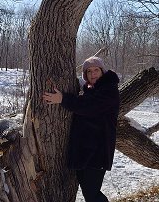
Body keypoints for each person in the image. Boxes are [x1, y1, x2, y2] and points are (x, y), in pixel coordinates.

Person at [43, 56, 120, 202]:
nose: (93, 74)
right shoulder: (91, 90)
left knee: (92, 194)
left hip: (98, 152)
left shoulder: (109, 90)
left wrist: (63, 99)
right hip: (85, 152)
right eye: (89, 71)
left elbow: (89, 106)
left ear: (102, 71)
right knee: (88, 193)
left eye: (96, 70)